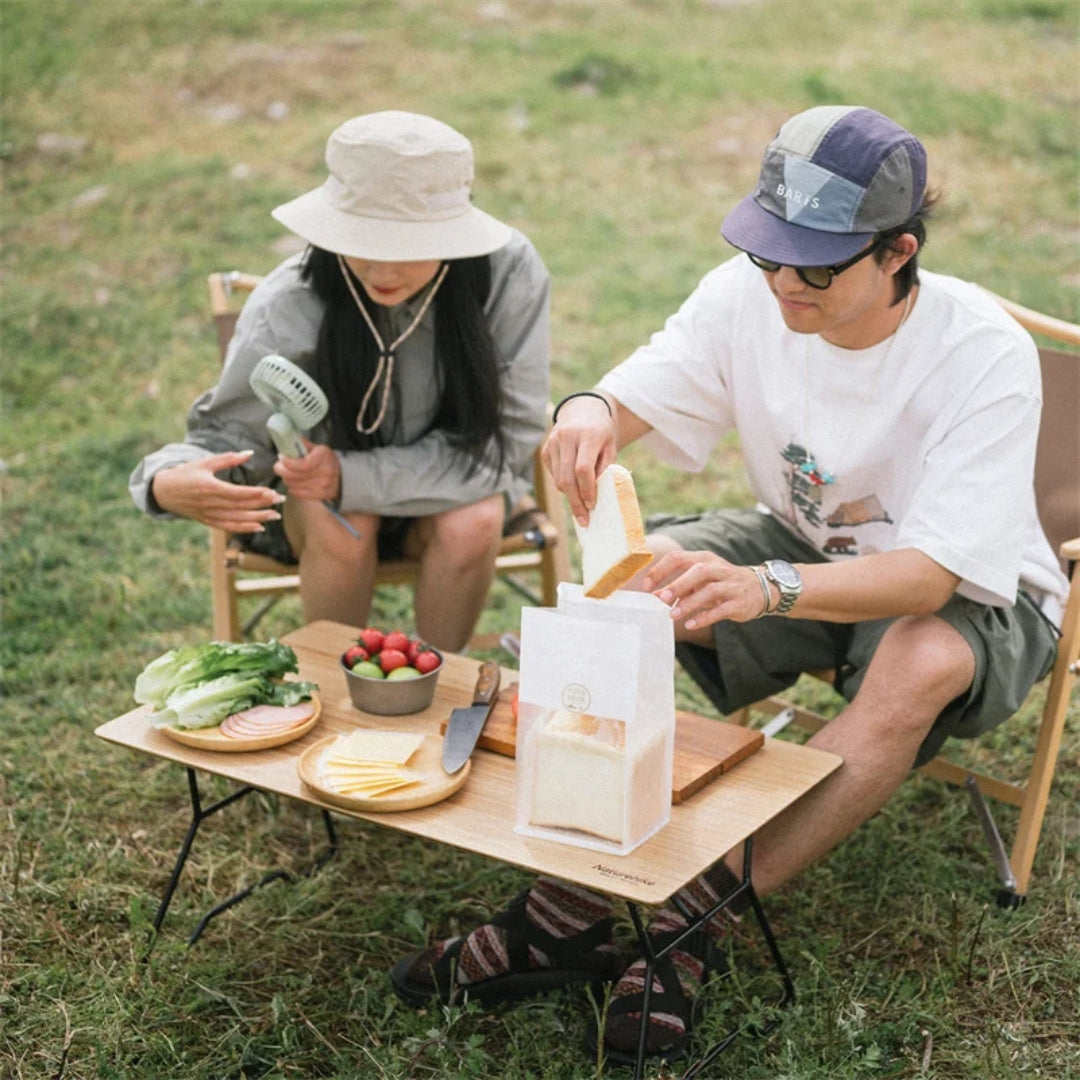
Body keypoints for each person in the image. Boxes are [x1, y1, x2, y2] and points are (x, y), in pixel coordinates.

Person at [390, 105, 1068, 1064]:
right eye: (769, 255)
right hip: (798, 544)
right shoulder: (748, 295)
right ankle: (567, 908)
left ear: (898, 252)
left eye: (817, 266)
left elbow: (934, 574)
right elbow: (630, 394)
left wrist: (766, 590)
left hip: (968, 595)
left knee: (916, 663)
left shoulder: (981, 354)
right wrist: (586, 411)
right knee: (629, 590)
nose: (785, 283)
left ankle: (689, 917)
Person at [129, 111, 550, 651]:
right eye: (361, 241)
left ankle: (441, 688)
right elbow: (229, 438)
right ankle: (335, 695)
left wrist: (350, 473)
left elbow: (508, 440)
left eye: (406, 246)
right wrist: (164, 483)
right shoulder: (289, 303)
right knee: (342, 520)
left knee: (473, 520)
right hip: (323, 516)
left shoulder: (508, 274)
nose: (381, 272)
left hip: (458, 488)